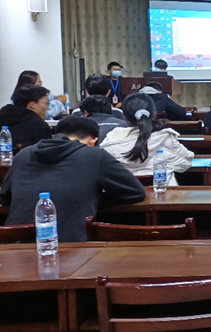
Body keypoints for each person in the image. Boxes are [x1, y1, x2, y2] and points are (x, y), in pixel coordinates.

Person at [1, 116, 145, 242]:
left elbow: (5, 197)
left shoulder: (23, 155)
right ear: (92, 140)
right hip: (71, 247)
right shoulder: (95, 156)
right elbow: (135, 192)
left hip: (13, 245)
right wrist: (91, 197)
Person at [100, 94, 194, 186]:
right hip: (163, 193)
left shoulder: (111, 139)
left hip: (124, 194)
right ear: (154, 113)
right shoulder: (165, 138)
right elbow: (186, 163)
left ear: (125, 117)